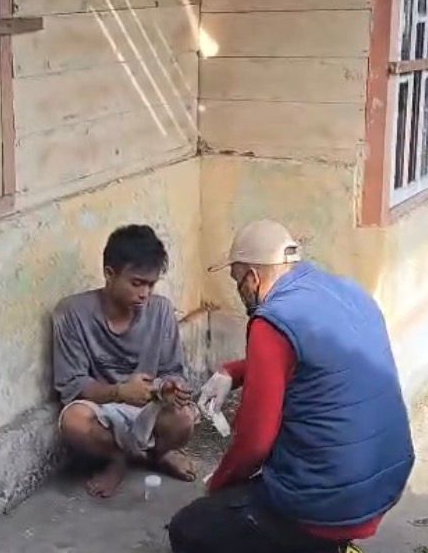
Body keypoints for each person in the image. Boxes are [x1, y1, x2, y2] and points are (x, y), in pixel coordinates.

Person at [168, 220, 415, 553]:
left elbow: (255, 443)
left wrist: (220, 485)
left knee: (189, 529)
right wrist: (233, 371)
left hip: (327, 504)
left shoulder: (271, 322)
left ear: (252, 278)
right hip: (386, 482)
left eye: (237, 282)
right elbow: (318, 362)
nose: (240, 292)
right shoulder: (351, 293)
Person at [53, 225, 196, 498]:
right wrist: (119, 392)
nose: (144, 293)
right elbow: (72, 386)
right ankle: (116, 459)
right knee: (73, 422)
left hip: (148, 408)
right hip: (101, 407)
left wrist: (169, 389)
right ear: (110, 274)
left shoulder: (161, 311)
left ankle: (158, 455)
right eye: (137, 283)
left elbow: (171, 371)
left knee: (183, 419)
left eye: (151, 284)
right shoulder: (72, 313)